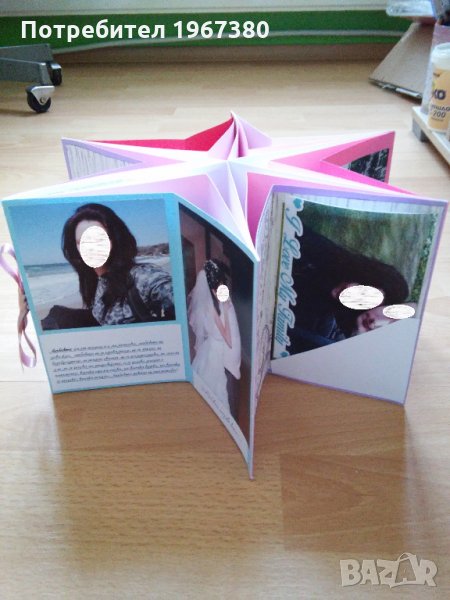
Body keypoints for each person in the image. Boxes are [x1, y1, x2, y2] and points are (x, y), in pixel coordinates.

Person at [41, 203, 174, 329]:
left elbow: (172, 294)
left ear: (116, 239)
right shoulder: (95, 281)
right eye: (82, 242)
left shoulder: (143, 277)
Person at [287, 226, 410, 354]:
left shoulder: (321, 327)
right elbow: (293, 233)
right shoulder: (334, 259)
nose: (348, 291)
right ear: (368, 276)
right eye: (364, 291)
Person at [188, 259, 241, 415]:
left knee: (209, 385)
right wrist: (226, 311)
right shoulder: (212, 308)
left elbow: (201, 327)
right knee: (218, 388)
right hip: (216, 350)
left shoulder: (203, 307)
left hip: (208, 347)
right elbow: (228, 339)